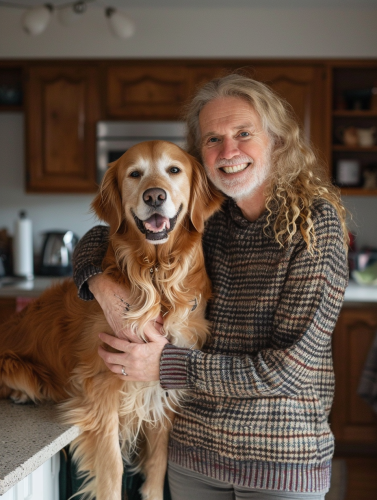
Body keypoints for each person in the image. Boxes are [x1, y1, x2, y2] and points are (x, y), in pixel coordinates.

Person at [73, 74, 349, 500]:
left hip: (277, 463)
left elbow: (289, 370)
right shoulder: (207, 215)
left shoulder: (314, 226)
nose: (229, 151)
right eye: (213, 139)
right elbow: (102, 235)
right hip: (192, 457)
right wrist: (102, 286)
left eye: (243, 134)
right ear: (200, 154)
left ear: (276, 140)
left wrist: (163, 366)